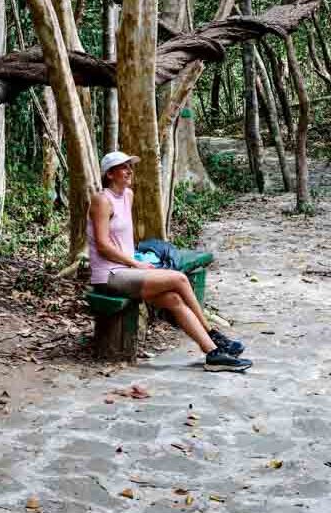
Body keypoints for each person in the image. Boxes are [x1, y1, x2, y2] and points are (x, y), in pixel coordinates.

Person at [87, 150, 252, 373]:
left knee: (174, 298)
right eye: (123, 167)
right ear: (109, 174)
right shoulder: (101, 200)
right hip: (109, 275)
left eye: (130, 166)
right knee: (180, 279)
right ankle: (212, 332)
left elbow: (124, 238)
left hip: (127, 271)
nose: (129, 171)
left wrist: (136, 260)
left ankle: (213, 353)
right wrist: (136, 264)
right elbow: (103, 245)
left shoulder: (128, 196)